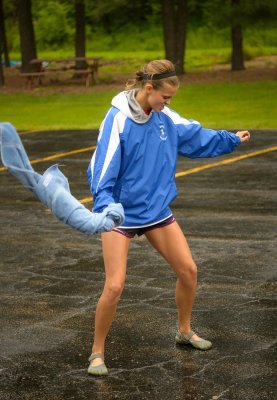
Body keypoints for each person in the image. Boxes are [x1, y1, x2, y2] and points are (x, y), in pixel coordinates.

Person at [86, 59, 250, 376]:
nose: (168, 103)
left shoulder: (164, 116)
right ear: (149, 89)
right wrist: (106, 207)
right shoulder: (117, 119)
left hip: (156, 211)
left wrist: (230, 139)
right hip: (119, 215)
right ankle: (96, 352)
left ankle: (184, 330)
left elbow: (194, 136)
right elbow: (102, 170)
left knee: (188, 270)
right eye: (165, 97)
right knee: (115, 286)